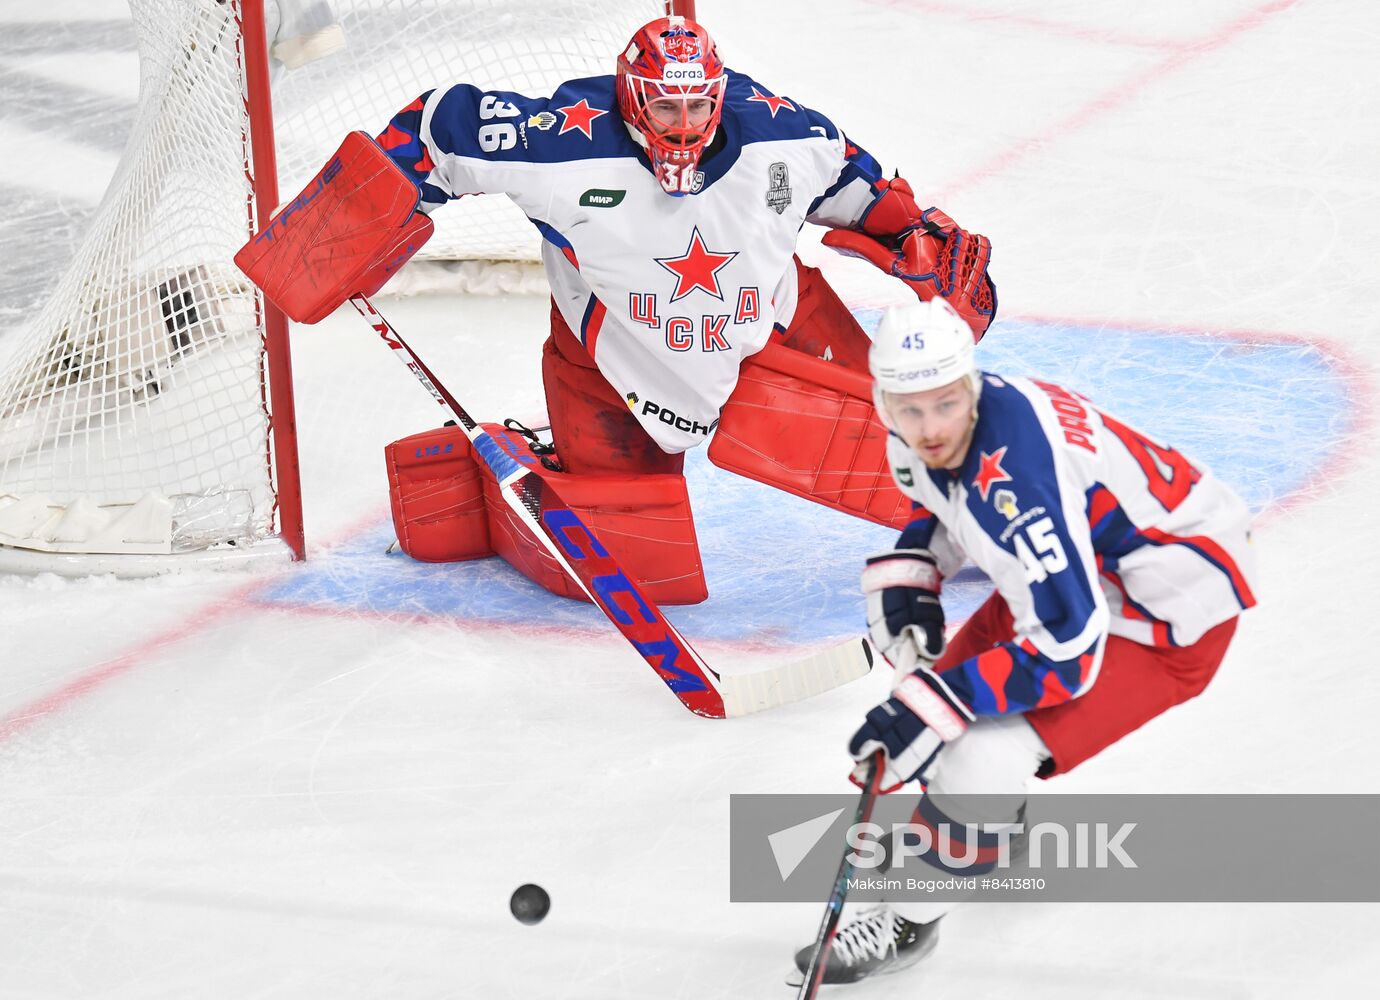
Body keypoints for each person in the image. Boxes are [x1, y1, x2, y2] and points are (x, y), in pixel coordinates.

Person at [369, 14, 997, 604]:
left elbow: (881, 204)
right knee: (636, 563)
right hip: (616, 353)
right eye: (665, 106)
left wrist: (922, 242)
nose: (683, 125)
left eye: (698, 106)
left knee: (906, 437)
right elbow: (438, 127)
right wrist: (368, 208)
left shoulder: (788, 139)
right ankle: (513, 468)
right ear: (631, 96)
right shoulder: (561, 143)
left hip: (773, 322)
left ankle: (1012, 510)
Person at [793, 297, 1258, 983]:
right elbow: (949, 501)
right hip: (1092, 572)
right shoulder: (950, 426)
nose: (930, 428)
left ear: (971, 385)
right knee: (940, 705)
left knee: (977, 751)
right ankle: (991, 826)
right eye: (911, 409)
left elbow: (1068, 648)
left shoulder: (1017, 484)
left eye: (945, 404)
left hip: (1170, 614)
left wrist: (936, 705)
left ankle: (909, 921)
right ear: (884, 399)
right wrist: (917, 565)